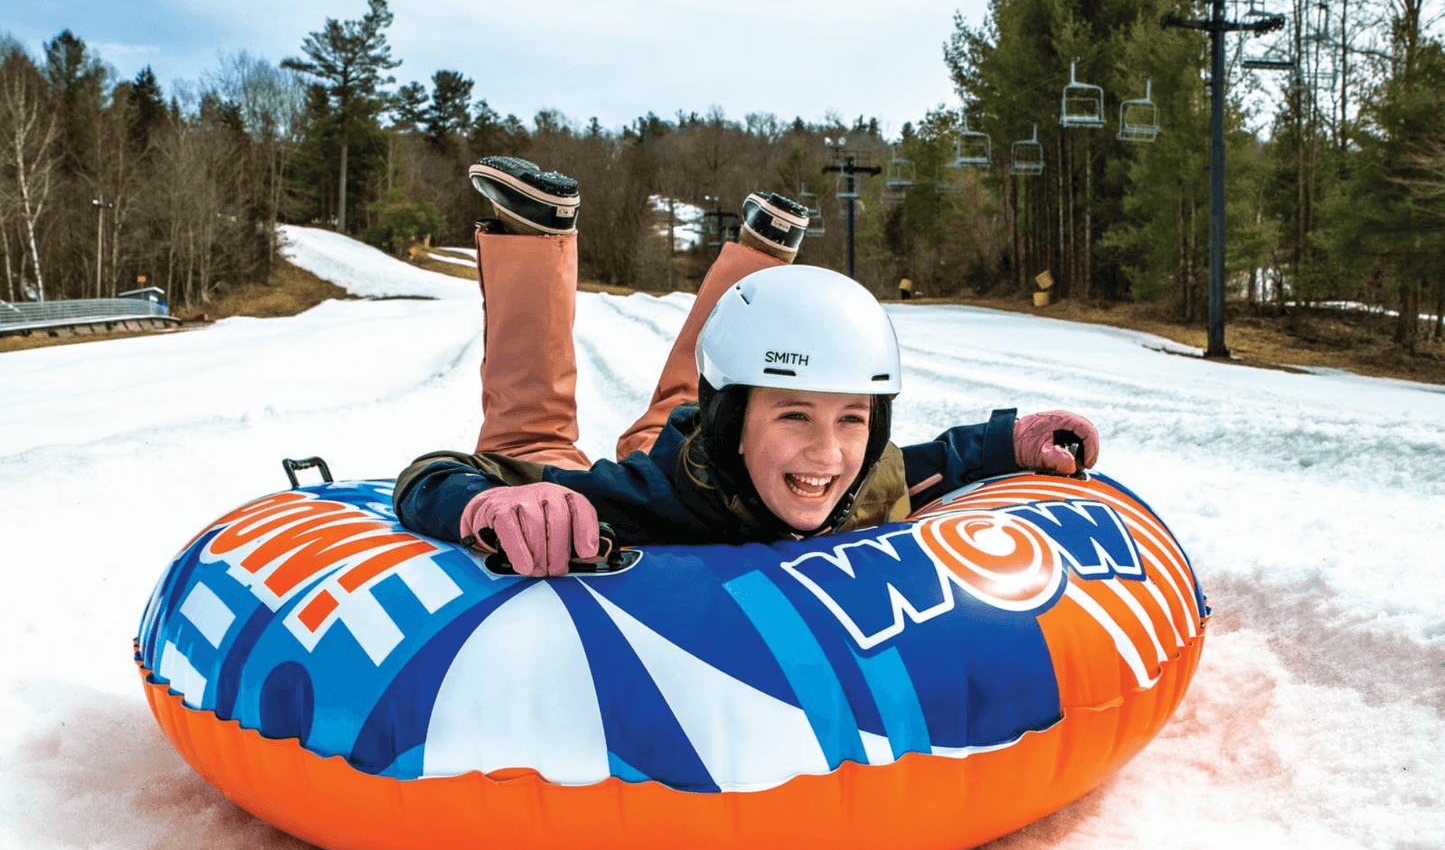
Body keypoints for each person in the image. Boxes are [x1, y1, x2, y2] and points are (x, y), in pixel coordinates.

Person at [393, 156, 1100, 577]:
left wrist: (1010, 438)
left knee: (714, 383)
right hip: (686, 475)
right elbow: (432, 476)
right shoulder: (648, 500)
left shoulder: (855, 472)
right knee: (531, 440)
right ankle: (532, 235)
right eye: (800, 414)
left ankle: (757, 267)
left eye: (851, 419)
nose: (829, 452)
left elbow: (933, 459)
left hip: (727, 451)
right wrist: (485, 502)